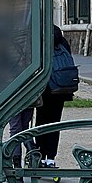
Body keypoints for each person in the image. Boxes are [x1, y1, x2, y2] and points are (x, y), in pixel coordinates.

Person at [35, 25, 76, 169]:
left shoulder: (39, 41)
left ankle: (39, 155)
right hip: (60, 89)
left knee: (41, 122)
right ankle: (51, 158)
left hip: (44, 89)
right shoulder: (62, 41)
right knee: (55, 123)